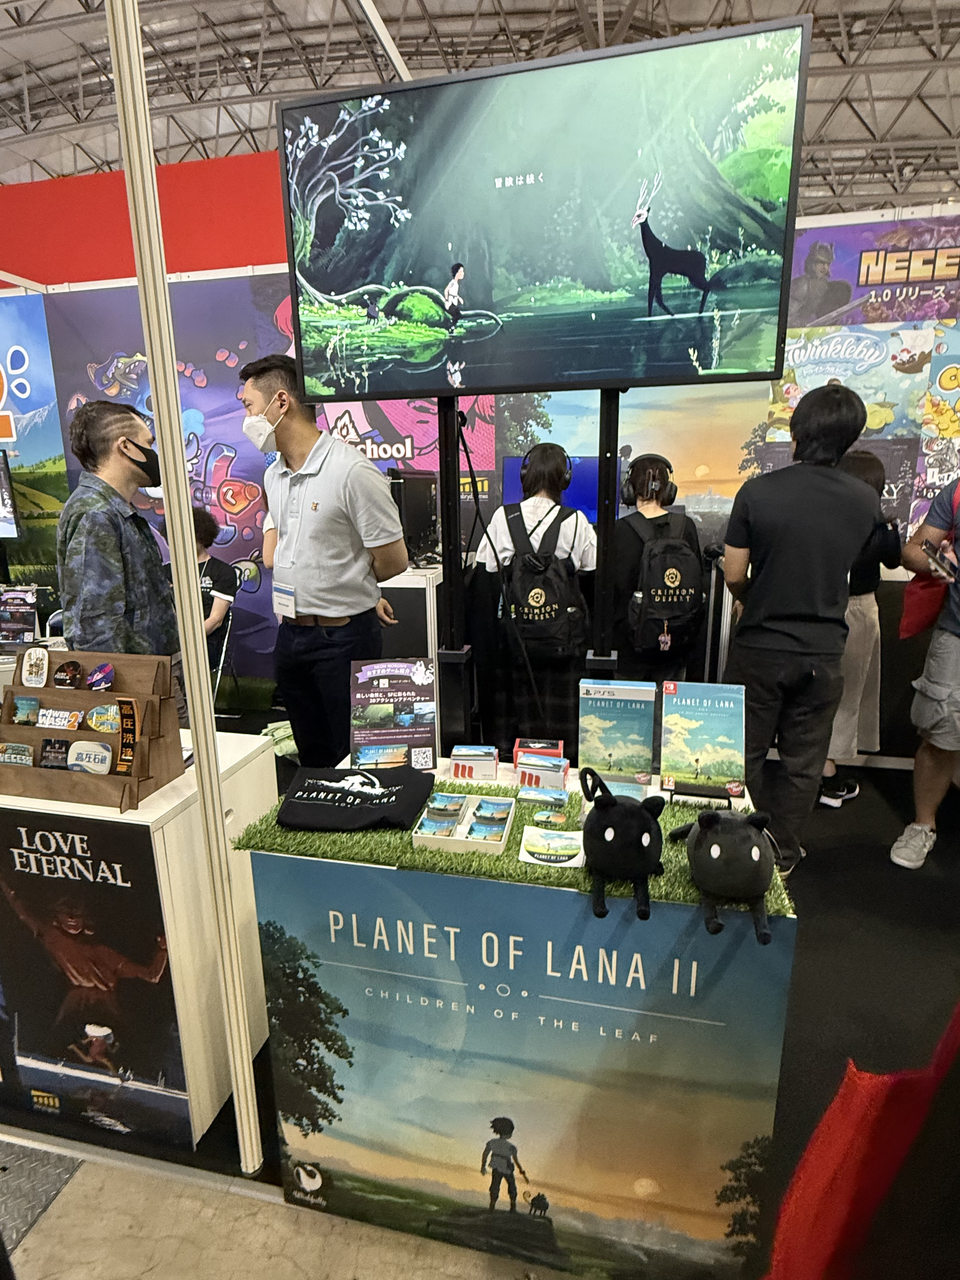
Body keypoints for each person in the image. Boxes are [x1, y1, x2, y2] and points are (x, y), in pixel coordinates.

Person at [723, 384, 880, 874]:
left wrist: (756, 597)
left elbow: (733, 573)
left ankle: (735, 844)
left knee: (741, 755)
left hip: (759, 646)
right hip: (823, 651)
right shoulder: (865, 500)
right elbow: (858, 567)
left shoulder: (757, 492)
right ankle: (783, 854)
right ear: (850, 438)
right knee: (803, 763)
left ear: (795, 433)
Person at [240, 354, 408, 768]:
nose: (247, 419)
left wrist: (354, 588)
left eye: (249, 406)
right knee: (312, 758)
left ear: (281, 402)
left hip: (343, 639)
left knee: (357, 759)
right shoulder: (274, 474)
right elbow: (287, 550)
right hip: (291, 636)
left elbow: (393, 560)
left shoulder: (351, 471)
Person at [56, 400, 187, 725]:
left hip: (150, 673)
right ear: (126, 446)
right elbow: (94, 623)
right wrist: (115, 706)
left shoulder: (113, 510)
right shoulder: (96, 514)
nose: (153, 452)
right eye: (149, 443)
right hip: (136, 684)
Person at [473, 442, 596, 752]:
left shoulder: (502, 517)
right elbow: (591, 569)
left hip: (514, 642)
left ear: (525, 476)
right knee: (561, 724)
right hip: (562, 645)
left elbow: (487, 569)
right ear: (564, 479)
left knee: (513, 723)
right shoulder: (577, 521)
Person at [820, 451, 901, 807]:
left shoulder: (823, 520)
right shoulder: (878, 527)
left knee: (821, 693)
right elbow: (893, 559)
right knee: (847, 694)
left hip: (819, 609)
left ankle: (819, 769)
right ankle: (827, 774)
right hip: (857, 611)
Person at [889, 476, 960, 869]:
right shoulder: (957, 491)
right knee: (940, 733)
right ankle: (922, 825)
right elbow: (913, 551)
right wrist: (941, 565)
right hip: (955, 634)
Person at [612, 453, 702, 680]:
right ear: (669, 490)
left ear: (629, 490)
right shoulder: (686, 527)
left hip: (632, 648)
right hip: (678, 643)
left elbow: (615, 591)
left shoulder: (620, 530)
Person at [160, 507, 238, 669]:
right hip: (168, 641)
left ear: (202, 536)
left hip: (204, 642)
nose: (182, 540)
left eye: (188, 534)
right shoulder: (165, 571)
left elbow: (216, 620)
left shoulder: (223, 571)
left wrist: (187, 641)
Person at [481, 1116, 528, 1212]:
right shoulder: (511, 1147)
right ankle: (512, 1205)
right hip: (507, 1168)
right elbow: (516, 1160)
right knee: (511, 1186)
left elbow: (485, 1154)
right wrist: (521, 1170)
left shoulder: (492, 1142)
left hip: (498, 1167)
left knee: (495, 1185)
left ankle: (493, 1204)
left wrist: (483, 1166)